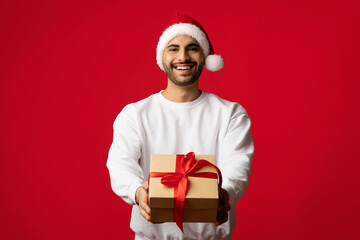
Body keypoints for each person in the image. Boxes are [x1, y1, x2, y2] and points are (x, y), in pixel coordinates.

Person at [107, 13, 254, 240]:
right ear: (162, 57)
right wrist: (137, 191)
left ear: (205, 56)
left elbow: (238, 165)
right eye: (173, 48)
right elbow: (120, 164)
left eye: (192, 48)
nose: (183, 57)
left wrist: (227, 193)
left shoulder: (231, 114)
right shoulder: (135, 114)